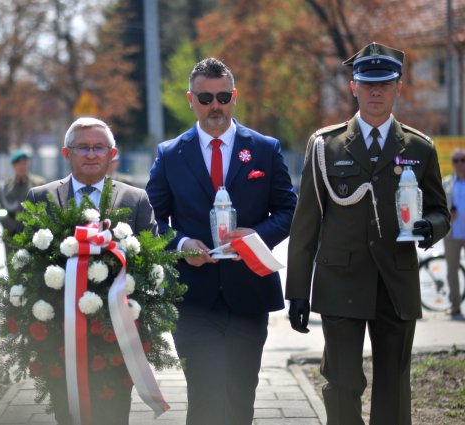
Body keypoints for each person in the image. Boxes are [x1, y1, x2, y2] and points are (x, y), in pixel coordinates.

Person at [286, 42, 450, 425]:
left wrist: (432, 227)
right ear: (353, 87)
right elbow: (305, 224)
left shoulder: (419, 147)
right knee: (341, 382)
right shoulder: (325, 146)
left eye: (385, 83)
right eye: (367, 83)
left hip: (396, 281)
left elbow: (441, 210)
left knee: (394, 385)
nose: (376, 91)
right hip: (340, 280)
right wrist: (297, 291)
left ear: (398, 87)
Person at [145, 58, 297, 425]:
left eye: (223, 96)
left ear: (235, 98)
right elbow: (149, 221)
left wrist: (257, 236)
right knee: (205, 395)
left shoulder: (264, 149)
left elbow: (288, 210)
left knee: (240, 395)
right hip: (193, 298)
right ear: (190, 100)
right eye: (206, 97)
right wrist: (181, 246)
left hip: (249, 292)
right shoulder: (170, 155)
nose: (216, 105)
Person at [26, 116, 157, 424]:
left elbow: (151, 265)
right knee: (67, 413)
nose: (91, 154)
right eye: (82, 147)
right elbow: (26, 265)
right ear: (66, 153)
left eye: (99, 147)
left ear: (113, 154)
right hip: (58, 337)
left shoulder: (136, 199)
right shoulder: (41, 198)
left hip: (116, 337)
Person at [0, 150, 45, 236]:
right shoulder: (5, 186)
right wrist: (14, 228)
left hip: (33, 233)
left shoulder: (39, 184)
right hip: (11, 233)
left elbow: (44, 208)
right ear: (13, 165)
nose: (22, 166)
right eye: (19, 163)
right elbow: (1, 211)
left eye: (24, 163)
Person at [442, 148, 465, 319]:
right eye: (456, 160)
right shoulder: (447, 183)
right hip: (452, 233)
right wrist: (447, 213)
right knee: (452, 271)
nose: (459, 164)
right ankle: (455, 305)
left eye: (462, 160)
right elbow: (439, 206)